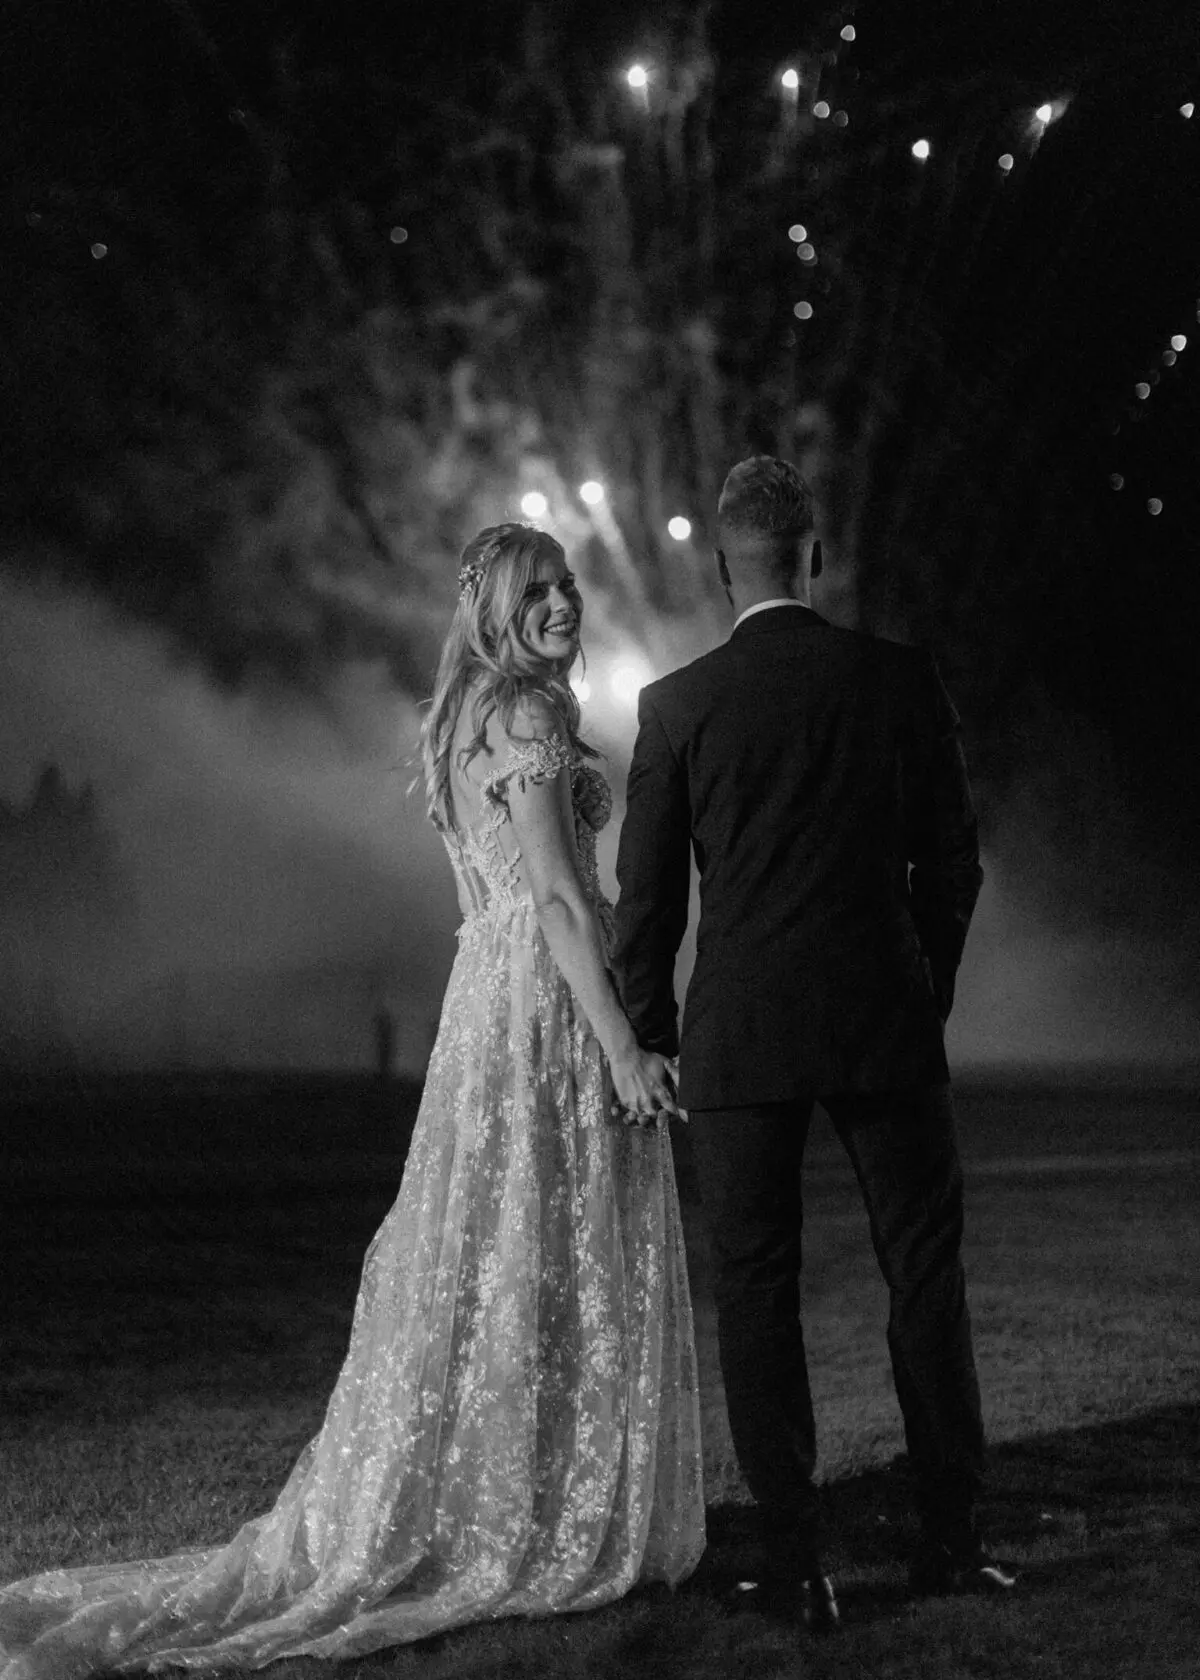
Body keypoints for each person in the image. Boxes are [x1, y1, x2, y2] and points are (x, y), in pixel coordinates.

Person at [0, 523, 704, 1679]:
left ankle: (512, 1490)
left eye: (569, 587)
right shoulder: (525, 713)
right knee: (542, 1238)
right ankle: (541, 1506)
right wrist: (622, 1043)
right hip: (541, 998)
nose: (565, 604)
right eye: (540, 591)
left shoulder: (464, 715)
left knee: (498, 1243)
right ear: (491, 608)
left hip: (485, 999)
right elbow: (563, 907)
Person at [612, 456, 1016, 1636]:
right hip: (882, 1018)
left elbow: (648, 902)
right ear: (815, 557)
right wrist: (920, 986)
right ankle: (949, 1540)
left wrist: (649, 1030)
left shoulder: (679, 705)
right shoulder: (896, 680)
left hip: (741, 1030)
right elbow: (954, 863)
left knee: (757, 1289)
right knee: (924, 1277)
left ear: (722, 568)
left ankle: (796, 1562)